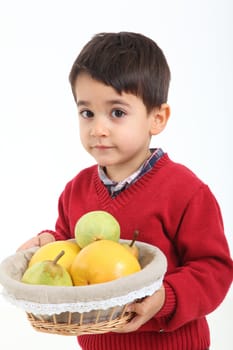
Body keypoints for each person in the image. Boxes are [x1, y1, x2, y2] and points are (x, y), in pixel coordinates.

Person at [18, 32, 233, 350]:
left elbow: (213, 269)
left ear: (157, 118)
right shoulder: (76, 190)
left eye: (117, 113)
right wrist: (47, 243)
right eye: (87, 113)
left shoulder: (186, 192)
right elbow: (70, 247)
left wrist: (164, 299)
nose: (97, 129)